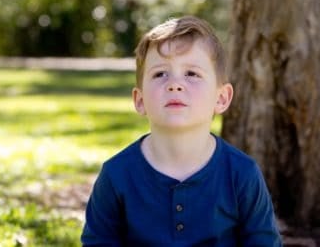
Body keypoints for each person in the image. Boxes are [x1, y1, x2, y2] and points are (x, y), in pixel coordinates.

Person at [81, 16, 282, 246]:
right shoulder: (116, 175)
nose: (174, 84)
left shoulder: (242, 174)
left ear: (222, 97)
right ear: (140, 100)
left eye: (192, 74)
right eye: (160, 74)